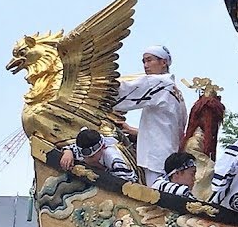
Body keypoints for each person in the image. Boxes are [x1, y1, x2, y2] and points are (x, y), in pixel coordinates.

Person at [114, 46, 187, 185]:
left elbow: (123, 92)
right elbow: (166, 128)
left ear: (163, 62)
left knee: (156, 199)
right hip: (169, 153)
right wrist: (134, 131)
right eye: (143, 61)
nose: (145, 66)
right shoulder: (177, 92)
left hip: (156, 157)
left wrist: (97, 85)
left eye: (149, 60)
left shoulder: (160, 82)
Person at [58, 128, 137, 182]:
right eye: (84, 157)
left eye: (92, 156)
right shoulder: (83, 147)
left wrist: (100, 168)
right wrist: (67, 152)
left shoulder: (114, 159)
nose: (87, 160)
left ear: (102, 147)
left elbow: (130, 180)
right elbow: (71, 147)